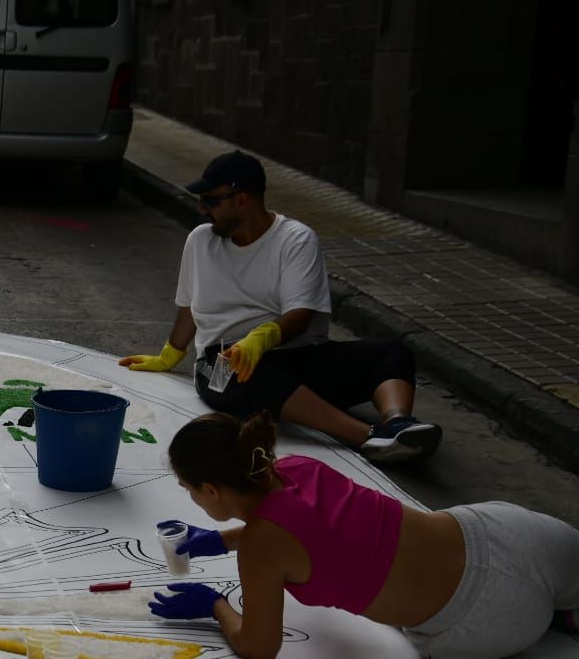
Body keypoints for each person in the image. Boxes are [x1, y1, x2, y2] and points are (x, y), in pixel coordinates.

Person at [148, 412, 579, 659]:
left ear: (211, 489)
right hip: (507, 533)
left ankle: (558, 614)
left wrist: (215, 606)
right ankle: (570, 603)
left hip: (483, 620)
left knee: (414, 633)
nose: (190, 497)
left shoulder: (262, 546)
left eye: (188, 488)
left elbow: (260, 648)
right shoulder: (296, 467)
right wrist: (222, 541)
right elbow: (311, 531)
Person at [119, 151, 442, 465]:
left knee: (391, 352)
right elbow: (189, 307)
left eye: (211, 201)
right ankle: (372, 438)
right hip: (222, 363)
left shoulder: (295, 239)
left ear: (241, 200)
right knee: (243, 371)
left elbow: (301, 314)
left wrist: (260, 339)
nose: (202, 208)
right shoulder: (200, 240)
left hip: (298, 357)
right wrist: (169, 355)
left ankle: (398, 423)